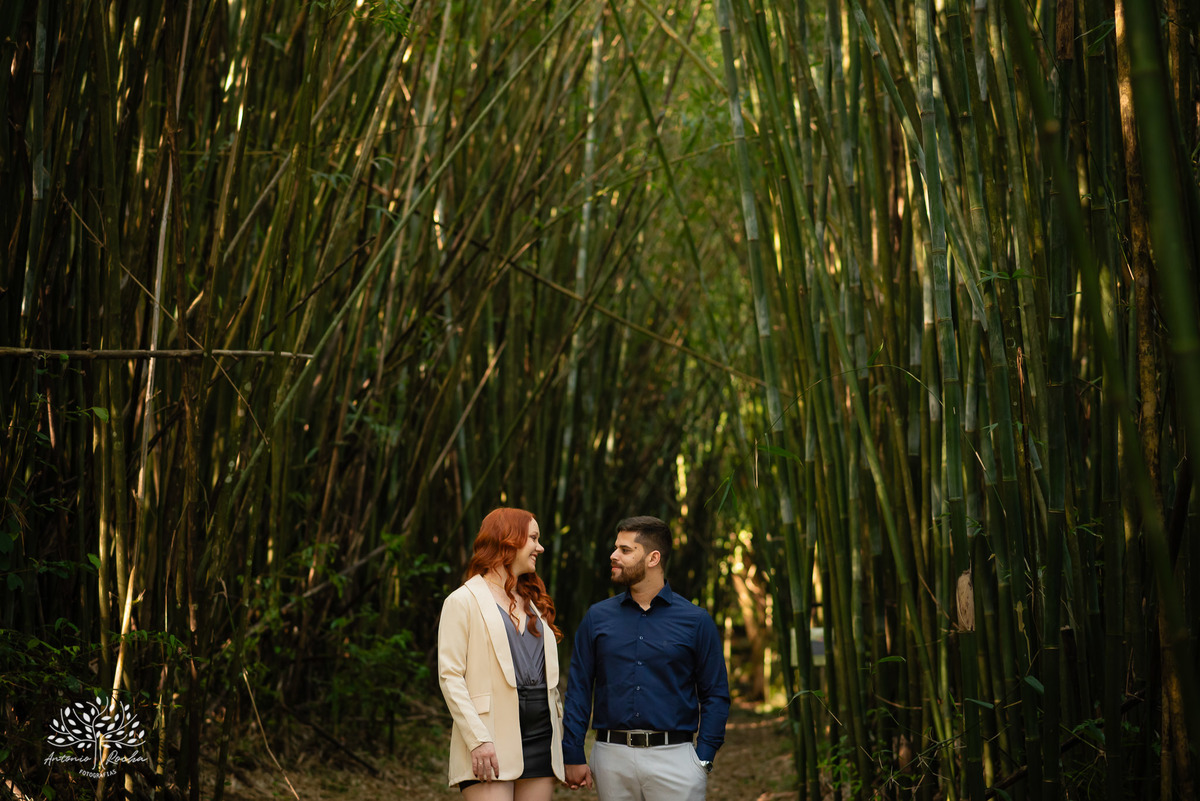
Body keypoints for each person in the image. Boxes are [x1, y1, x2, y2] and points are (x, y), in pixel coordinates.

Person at [562, 515, 730, 801]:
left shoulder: (695, 620)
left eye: (625, 550)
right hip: (611, 757)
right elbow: (578, 689)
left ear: (653, 558)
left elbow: (715, 694)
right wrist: (573, 752)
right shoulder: (597, 618)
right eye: (616, 548)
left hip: (676, 759)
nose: (613, 556)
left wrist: (703, 758)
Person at [438, 507, 566, 800]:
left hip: (541, 738)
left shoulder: (534, 603)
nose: (540, 547)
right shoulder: (462, 601)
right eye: (533, 538)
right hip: (490, 735)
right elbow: (450, 678)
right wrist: (478, 739)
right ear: (509, 540)